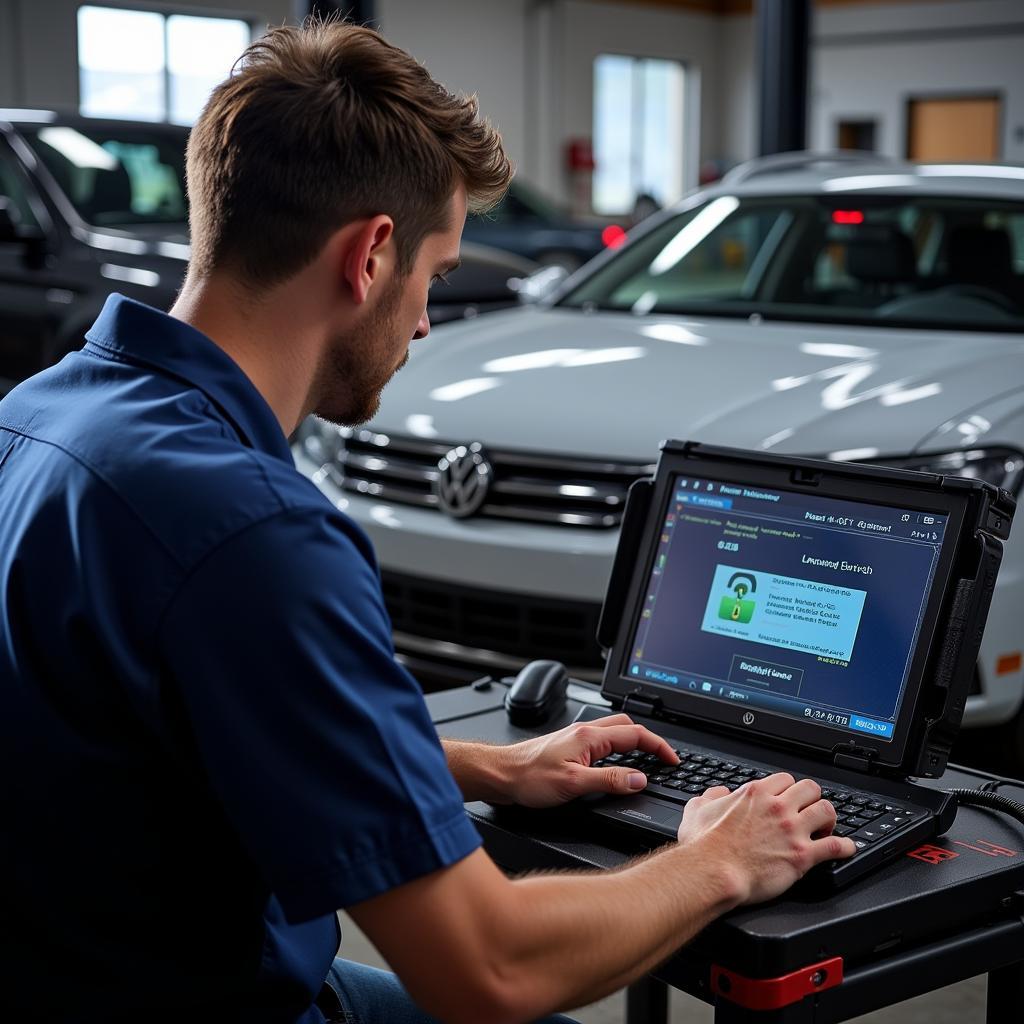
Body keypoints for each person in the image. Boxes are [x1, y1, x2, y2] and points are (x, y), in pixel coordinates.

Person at [0, 20, 856, 1024]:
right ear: (369, 255)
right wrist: (720, 857)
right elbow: (488, 970)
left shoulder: (38, 412)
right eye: (435, 277)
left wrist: (477, 764)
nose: (422, 324)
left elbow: (160, 728)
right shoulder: (253, 533)